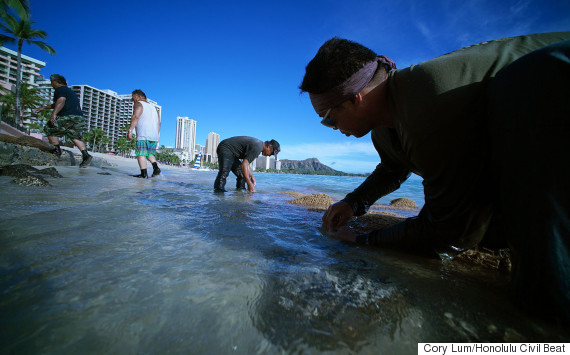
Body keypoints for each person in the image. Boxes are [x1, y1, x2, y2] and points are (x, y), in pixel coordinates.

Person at [300, 32, 570, 323]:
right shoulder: (384, 123)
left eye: (328, 118)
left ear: (356, 99)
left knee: (540, 303)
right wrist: (352, 203)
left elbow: (450, 231)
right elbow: (393, 168)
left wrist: (363, 240)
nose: (330, 127)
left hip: (552, 80)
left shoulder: (426, 97)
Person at [35, 74, 92, 168]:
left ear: (55, 82)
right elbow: (58, 103)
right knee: (75, 136)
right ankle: (86, 155)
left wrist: (54, 114)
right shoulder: (69, 91)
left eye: (51, 82)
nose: (51, 84)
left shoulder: (60, 89)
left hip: (68, 116)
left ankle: (56, 150)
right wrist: (45, 107)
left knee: (49, 128)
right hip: (79, 117)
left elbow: (61, 101)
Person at [214, 136, 280, 192]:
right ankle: (218, 194)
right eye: (271, 153)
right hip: (225, 148)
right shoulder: (257, 147)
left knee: (242, 176)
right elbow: (244, 164)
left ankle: (239, 194)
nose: (269, 156)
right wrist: (249, 184)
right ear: (269, 146)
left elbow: (246, 164)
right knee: (224, 172)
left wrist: (251, 176)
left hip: (233, 154)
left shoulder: (259, 147)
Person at [127, 89, 161, 178]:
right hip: (154, 135)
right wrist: (157, 136)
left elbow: (135, 117)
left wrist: (130, 130)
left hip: (143, 133)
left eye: (133, 97)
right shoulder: (154, 108)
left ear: (138, 96)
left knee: (141, 154)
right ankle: (156, 167)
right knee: (149, 154)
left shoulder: (139, 104)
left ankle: (144, 174)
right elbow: (159, 123)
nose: (132, 100)